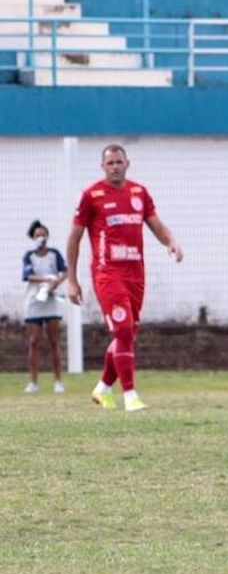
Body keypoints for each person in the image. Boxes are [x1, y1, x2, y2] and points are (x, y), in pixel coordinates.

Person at [65, 144, 184, 412]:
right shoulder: (91, 195)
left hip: (136, 273)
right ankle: (130, 396)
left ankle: (103, 388)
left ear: (127, 164)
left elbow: (156, 225)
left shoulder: (139, 192)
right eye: (110, 163)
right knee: (122, 330)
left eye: (119, 162)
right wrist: (72, 280)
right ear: (103, 167)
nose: (115, 167)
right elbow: (74, 238)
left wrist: (171, 242)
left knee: (127, 334)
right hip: (107, 272)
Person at [22, 220, 67, 394]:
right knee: (34, 342)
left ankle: (58, 381)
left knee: (54, 341)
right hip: (34, 300)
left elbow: (64, 271)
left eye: (43, 234)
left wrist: (56, 283)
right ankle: (33, 382)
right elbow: (28, 276)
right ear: (33, 238)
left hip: (51, 299)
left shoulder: (54, 254)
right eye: (37, 235)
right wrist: (47, 278)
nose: (41, 237)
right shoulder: (29, 256)